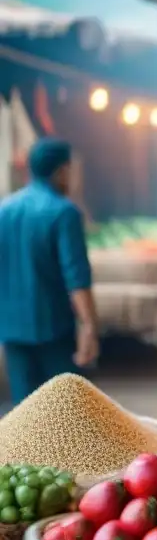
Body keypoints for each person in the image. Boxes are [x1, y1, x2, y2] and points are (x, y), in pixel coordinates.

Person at [0, 138, 99, 405]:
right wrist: (89, 326)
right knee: (65, 411)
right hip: (53, 328)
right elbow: (76, 276)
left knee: (25, 413)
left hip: (11, 329)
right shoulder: (64, 212)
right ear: (62, 171)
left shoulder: (4, 210)